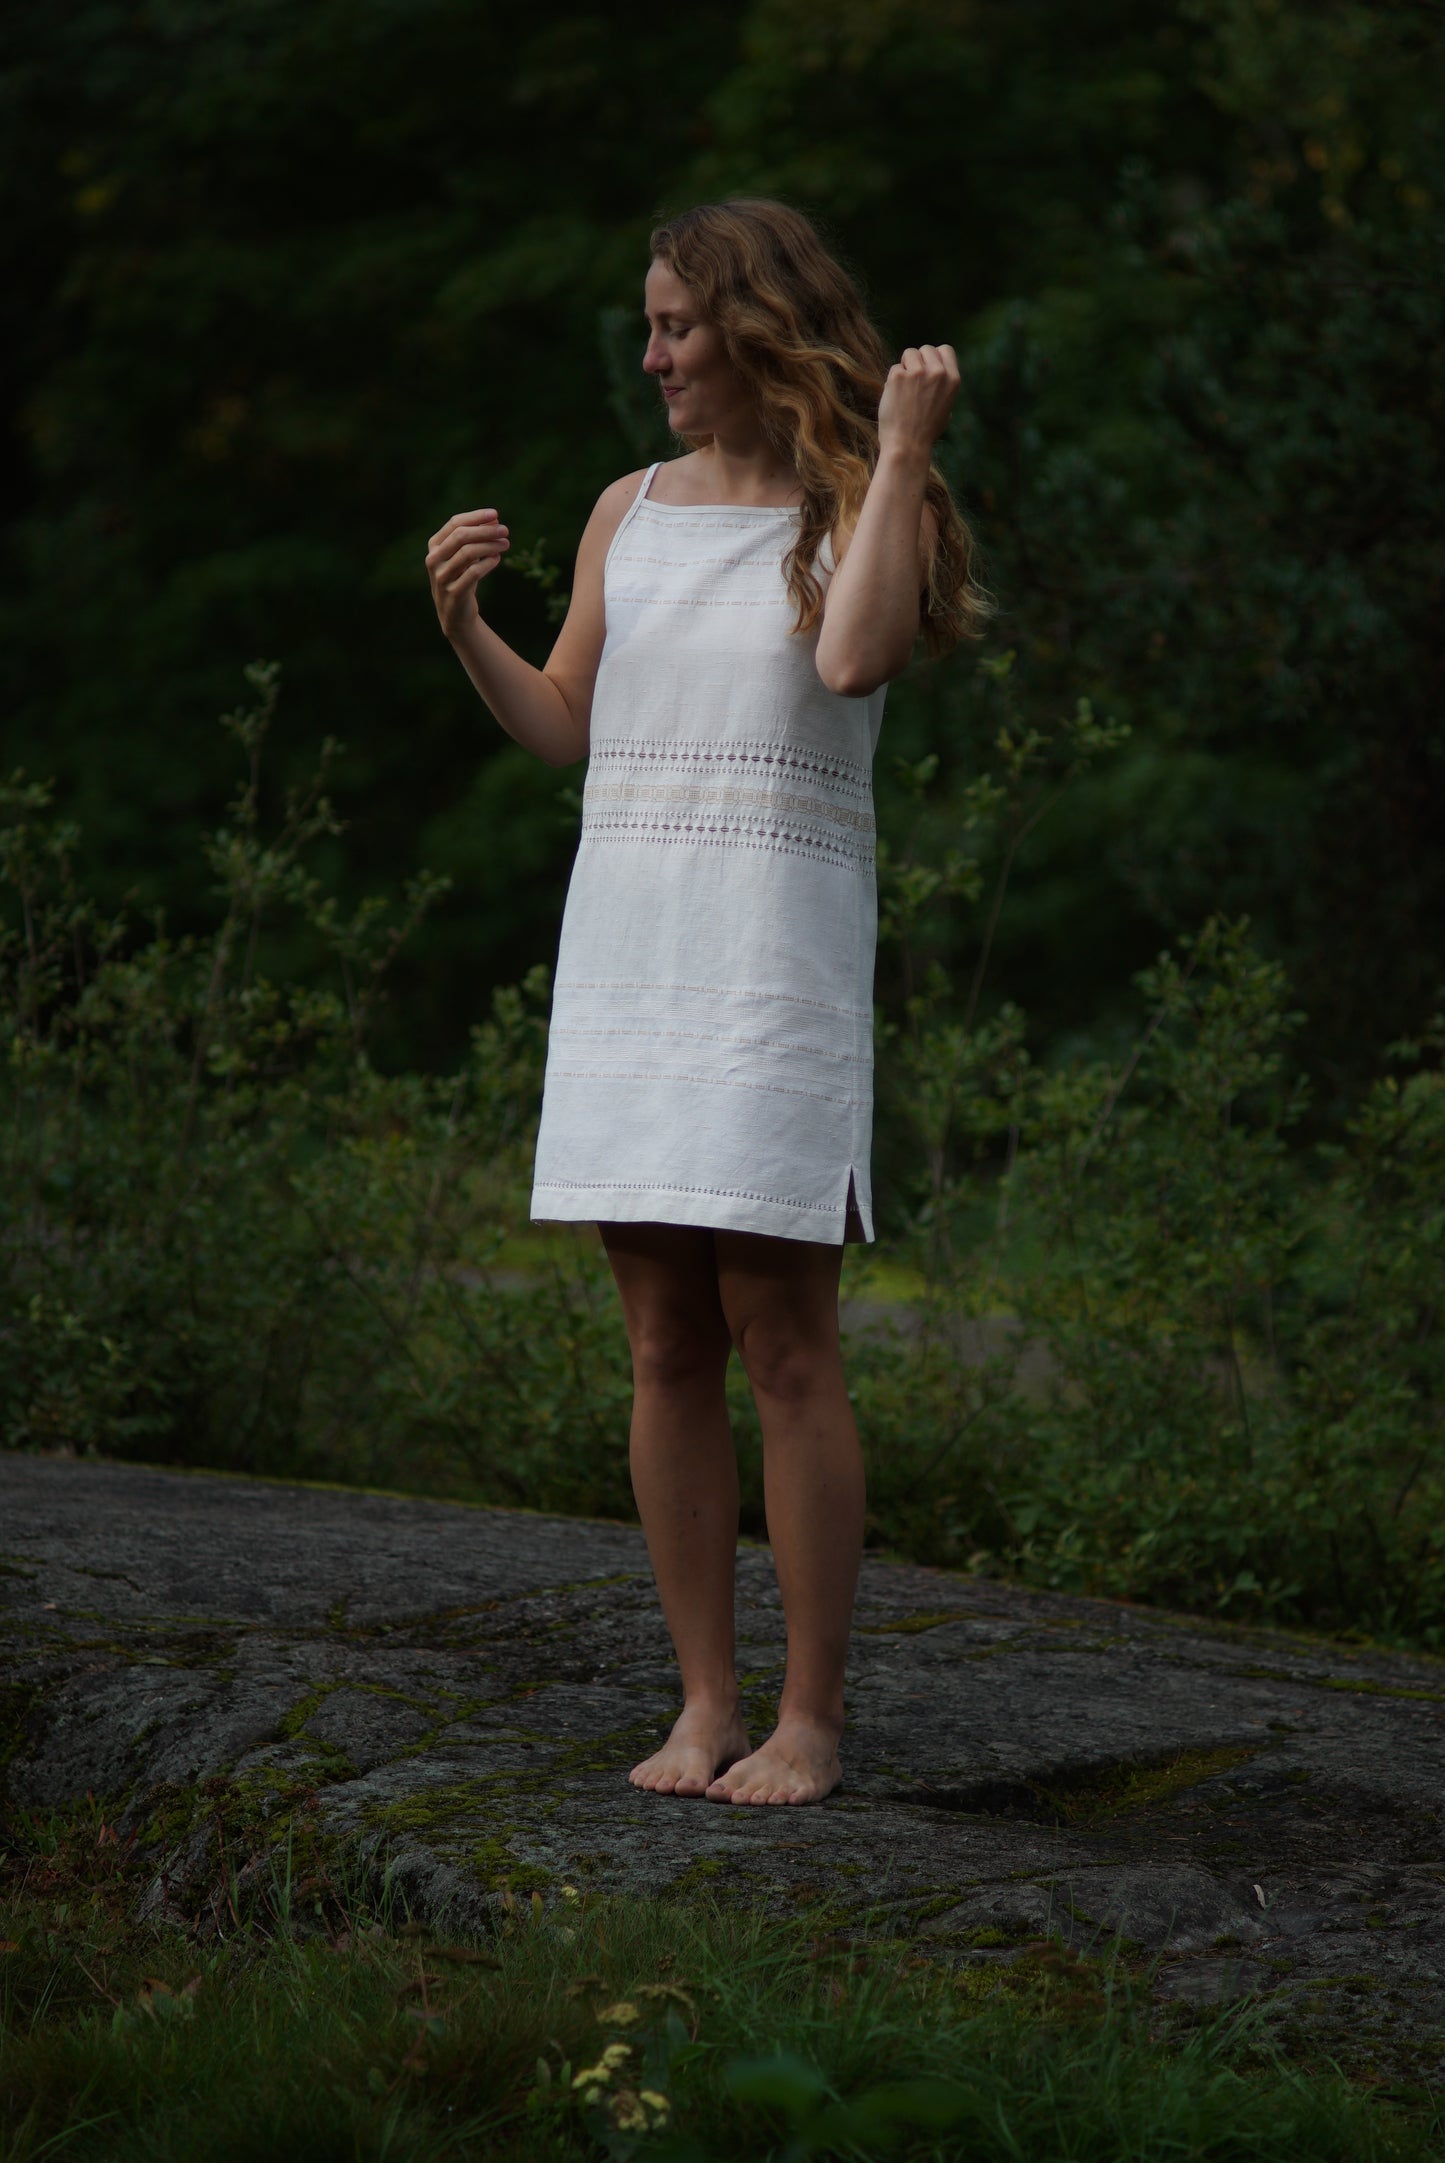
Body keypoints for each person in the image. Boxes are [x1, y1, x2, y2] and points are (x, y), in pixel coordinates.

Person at [425, 200, 990, 1807]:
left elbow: (858, 663)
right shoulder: (629, 510)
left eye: (677, 324)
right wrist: (468, 627)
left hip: (768, 971)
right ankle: (701, 1707)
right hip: (630, 963)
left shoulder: (864, 502)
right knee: (663, 1343)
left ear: (755, 329)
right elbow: (561, 726)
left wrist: (891, 457)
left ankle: (811, 1720)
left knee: (785, 1344)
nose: (654, 352)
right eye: (650, 324)